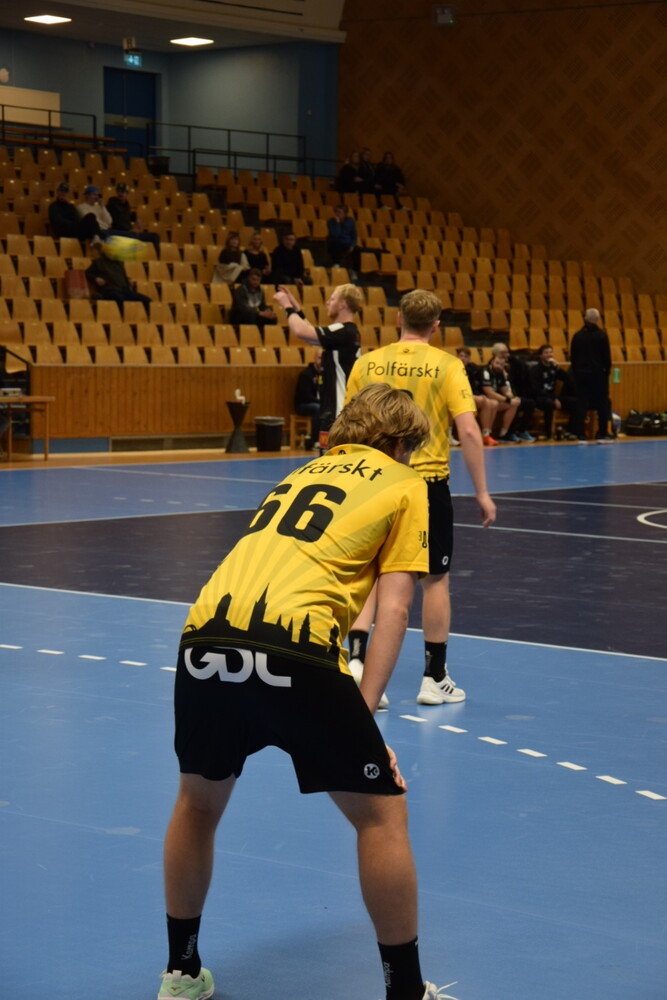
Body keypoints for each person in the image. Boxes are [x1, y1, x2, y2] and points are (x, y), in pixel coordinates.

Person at [158, 383, 449, 1000]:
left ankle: (181, 973)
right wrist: (363, 721)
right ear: (401, 443)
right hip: (293, 642)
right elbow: (395, 609)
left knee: (198, 804)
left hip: (204, 636)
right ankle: (406, 990)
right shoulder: (406, 484)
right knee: (381, 813)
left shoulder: (300, 474)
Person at [343, 290, 496, 707]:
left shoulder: (367, 363)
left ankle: (356, 661)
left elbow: (347, 423)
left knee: (369, 570)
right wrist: (482, 491)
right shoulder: (448, 365)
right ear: (437, 326)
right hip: (425, 483)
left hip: (372, 479)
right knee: (435, 580)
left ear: (399, 319)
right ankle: (434, 677)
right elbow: (468, 430)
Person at [273, 282, 362, 450]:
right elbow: (311, 336)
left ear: (343, 303)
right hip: (335, 414)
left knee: (332, 463)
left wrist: (287, 307)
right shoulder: (347, 332)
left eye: (332, 298)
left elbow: (301, 332)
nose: (328, 302)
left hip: (337, 415)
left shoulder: (343, 331)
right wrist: (296, 308)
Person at [570, 307, 613, 441]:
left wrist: (577, 372)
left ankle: (580, 433)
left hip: (581, 375)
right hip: (598, 374)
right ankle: (602, 433)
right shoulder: (601, 336)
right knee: (602, 403)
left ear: (585, 319)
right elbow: (607, 357)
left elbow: (573, 357)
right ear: (597, 319)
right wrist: (606, 372)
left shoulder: (577, 336)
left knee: (582, 403)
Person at [481, 345, 534, 442]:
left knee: (515, 404)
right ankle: (488, 433)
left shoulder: (500, 372)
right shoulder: (485, 371)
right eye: (497, 363)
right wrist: (508, 400)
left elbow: (505, 390)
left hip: (496, 399)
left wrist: (513, 397)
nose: (499, 366)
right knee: (494, 403)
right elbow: (489, 393)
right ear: (492, 361)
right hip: (486, 399)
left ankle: (504, 433)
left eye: (502, 364)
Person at [528, 344, 578, 440]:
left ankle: (570, 431)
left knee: (575, 402)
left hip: (553, 397)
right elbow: (536, 390)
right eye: (546, 353)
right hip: (539, 398)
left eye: (550, 352)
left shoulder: (553, 368)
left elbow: (568, 380)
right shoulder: (536, 370)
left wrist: (559, 369)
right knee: (549, 403)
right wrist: (554, 399)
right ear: (541, 355)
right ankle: (548, 433)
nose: (549, 355)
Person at [85, 243, 152, 306]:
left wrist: (127, 280)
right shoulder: (99, 262)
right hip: (109, 289)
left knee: (147, 301)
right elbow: (87, 273)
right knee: (120, 300)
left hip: (123, 290)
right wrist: (96, 278)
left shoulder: (119, 262)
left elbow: (122, 274)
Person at [456, 347, 498, 446]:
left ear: (469, 359)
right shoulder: (454, 368)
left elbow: (475, 385)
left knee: (493, 403)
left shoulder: (472, 368)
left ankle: (487, 434)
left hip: (472, 395)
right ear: (457, 357)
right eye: (461, 356)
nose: (463, 358)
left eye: (466, 356)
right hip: (459, 395)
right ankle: (484, 435)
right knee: (484, 401)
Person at [106, 182, 160, 251]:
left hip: (129, 232)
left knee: (155, 236)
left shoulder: (126, 204)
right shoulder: (112, 204)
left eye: (123, 192)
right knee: (140, 237)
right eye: (119, 191)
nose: (121, 194)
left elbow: (129, 215)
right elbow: (118, 221)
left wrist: (136, 219)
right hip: (120, 232)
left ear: (127, 193)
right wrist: (130, 230)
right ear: (117, 192)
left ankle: (156, 257)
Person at [293, 346, 322, 448]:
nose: (322, 361)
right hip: (303, 405)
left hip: (319, 403)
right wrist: (321, 402)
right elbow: (306, 395)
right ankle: (315, 440)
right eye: (320, 358)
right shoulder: (306, 374)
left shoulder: (326, 374)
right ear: (314, 358)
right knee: (318, 408)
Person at [326, 203, 360, 277]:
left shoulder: (350, 221)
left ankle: (354, 270)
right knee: (335, 243)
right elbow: (335, 235)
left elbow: (354, 235)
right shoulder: (330, 222)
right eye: (336, 212)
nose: (337, 214)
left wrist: (352, 245)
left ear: (345, 214)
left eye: (339, 212)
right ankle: (336, 264)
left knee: (357, 249)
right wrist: (337, 224)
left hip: (347, 243)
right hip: (336, 242)